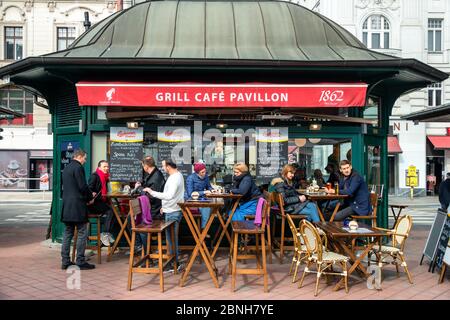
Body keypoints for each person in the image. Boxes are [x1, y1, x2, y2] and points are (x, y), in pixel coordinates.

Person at [143, 159, 185, 272]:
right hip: (171, 209)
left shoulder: (174, 178)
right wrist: (164, 206)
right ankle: (174, 263)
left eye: (163, 166)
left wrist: (152, 192)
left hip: (173, 212)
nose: (162, 168)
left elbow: (170, 195)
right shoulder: (178, 175)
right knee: (171, 239)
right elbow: (175, 196)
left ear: (168, 167)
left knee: (171, 240)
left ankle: (174, 264)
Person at [60, 149, 95, 270]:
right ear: (79, 157)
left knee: (68, 233)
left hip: (67, 205)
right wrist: (90, 197)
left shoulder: (67, 168)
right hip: (77, 206)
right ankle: (80, 260)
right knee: (82, 233)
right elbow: (82, 186)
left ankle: (65, 261)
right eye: (84, 158)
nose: (85, 161)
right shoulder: (78, 167)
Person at [87, 160, 115, 247]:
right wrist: (91, 193)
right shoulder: (95, 176)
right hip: (92, 204)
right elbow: (89, 189)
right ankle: (104, 234)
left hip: (100, 202)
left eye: (107, 166)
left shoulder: (105, 177)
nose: (107, 168)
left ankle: (107, 233)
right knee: (110, 211)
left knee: (114, 211)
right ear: (99, 168)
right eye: (104, 167)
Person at [185, 162, 214, 233]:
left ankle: (204, 228)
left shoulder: (206, 177)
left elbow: (209, 187)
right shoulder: (190, 178)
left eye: (205, 171)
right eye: (202, 172)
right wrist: (204, 192)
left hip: (201, 199)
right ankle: (204, 230)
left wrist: (212, 190)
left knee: (210, 207)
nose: (204, 173)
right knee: (206, 208)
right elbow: (190, 193)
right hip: (191, 200)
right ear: (197, 172)